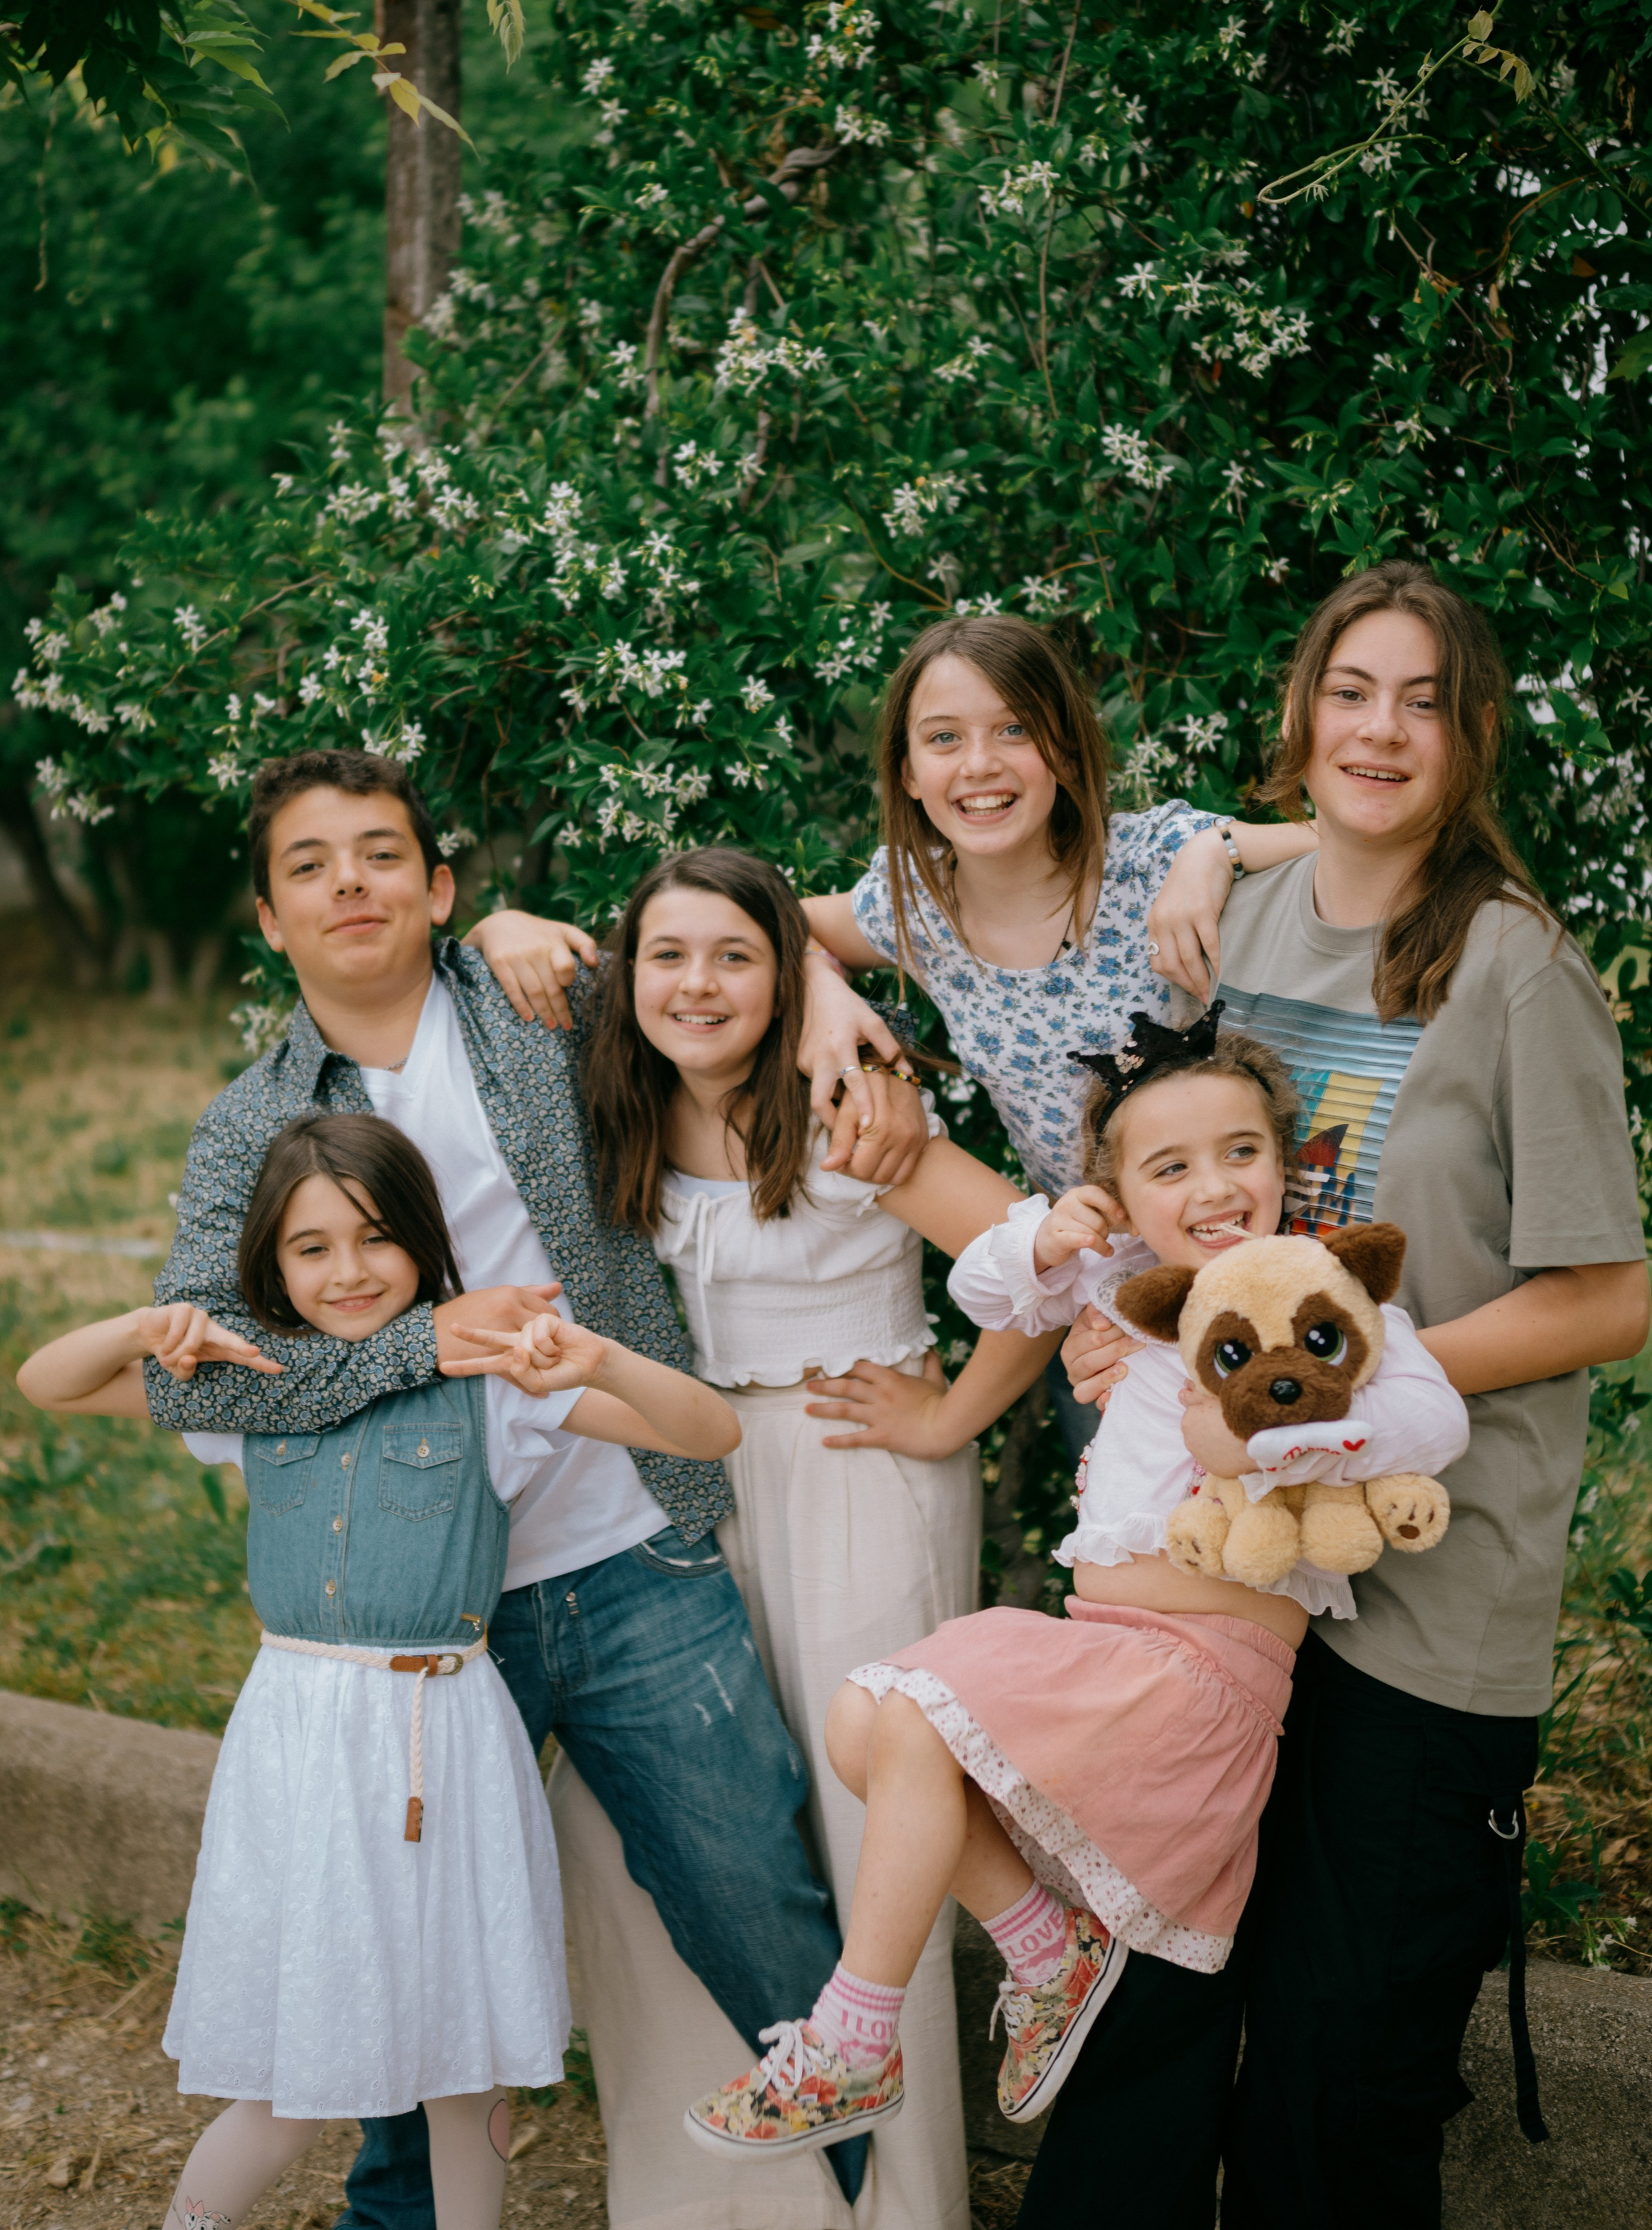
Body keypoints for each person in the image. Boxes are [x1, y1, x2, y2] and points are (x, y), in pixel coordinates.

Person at [134, 747, 898, 2229]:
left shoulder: (548, 1007)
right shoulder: (250, 1126)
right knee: (403, 1985)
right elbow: (189, 1377)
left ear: (439, 885)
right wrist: (420, 1343)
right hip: (420, 1628)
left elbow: (721, 981)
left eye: (379, 855)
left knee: (760, 1910)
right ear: (267, 917)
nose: (348, 883)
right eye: (309, 865)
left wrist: (831, 996)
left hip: (627, 1555)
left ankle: (864, 2198)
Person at [1053, 560, 1649, 2229]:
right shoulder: (1221, 921)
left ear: (1474, 743)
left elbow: (1615, 1294)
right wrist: (1127, 1324)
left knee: (1344, 2068)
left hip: (1425, 1609)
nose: (1382, 731)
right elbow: (1147, 1162)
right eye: (1352, 690)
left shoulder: (1517, 968)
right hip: (1209, 1594)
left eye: (1427, 702)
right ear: (1303, 712)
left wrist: (1350, 1384)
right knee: (1144, 2032)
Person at [681, 1013, 1468, 2164]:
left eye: (1241, 1152)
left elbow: (1433, 1418)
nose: (1215, 1185)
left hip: (1199, 1674)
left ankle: (855, 2034)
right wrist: (1052, 1241)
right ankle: (1045, 1949)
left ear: (1284, 1163)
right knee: (866, 1727)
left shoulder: (1326, 1306)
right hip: (1107, 1640)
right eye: (1170, 1167)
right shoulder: (1126, 1290)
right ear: (1120, 1195)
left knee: (901, 1713)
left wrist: (1267, 1438)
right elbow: (990, 1295)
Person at [17, 1112, 738, 2230]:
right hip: (300, 1735)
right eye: (311, 1248)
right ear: (272, 1262)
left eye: (375, 1238)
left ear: (423, 1245)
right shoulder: (250, 1387)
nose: (348, 1272)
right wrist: (149, 1324)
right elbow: (45, 1382)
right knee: (285, 2073)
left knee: (465, 2060)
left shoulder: (490, 1386)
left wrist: (602, 1358)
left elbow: (706, 1436)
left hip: (439, 1731)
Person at [463, 616, 1318, 1461]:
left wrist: (1217, 852)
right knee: (1139, 1575)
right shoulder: (921, 905)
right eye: (943, 739)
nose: (979, 765)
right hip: (1111, 1312)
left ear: (1065, 745)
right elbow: (762, 926)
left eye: (1014, 729)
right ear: (908, 773)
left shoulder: (1154, 859)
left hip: (1261, 1269)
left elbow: (1351, 847)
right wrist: (824, 993)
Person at [572, 844, 1058, 2229]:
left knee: (865, 1830)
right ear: (628, 978)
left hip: (855, 1465)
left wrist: (948, 1413)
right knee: (686, 1820)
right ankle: (738, 2194)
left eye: (735, 954)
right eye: (667, 956)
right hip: (691, 1482)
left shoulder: (848, 1106)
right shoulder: (627, 1105)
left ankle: (900, 2204)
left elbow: (1046, 1262)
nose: (697, 984)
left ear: (787, 975)